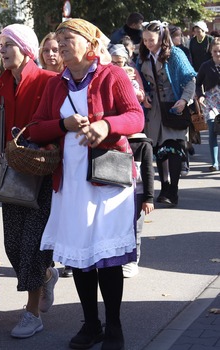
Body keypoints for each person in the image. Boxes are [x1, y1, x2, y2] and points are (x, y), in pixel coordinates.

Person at [28, 19, 144, 350]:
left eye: (69, 37)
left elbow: (135, 116)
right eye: (58, 38)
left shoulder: (112, 75)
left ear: (91, 42)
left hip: (107, 180)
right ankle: (91, 324)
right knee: (79, 256)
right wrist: (62, 124)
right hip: (71, 183)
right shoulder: (55, 84)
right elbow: (35, 129)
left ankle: (115, 327)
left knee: (106, 259)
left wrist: (106, 126)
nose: (61, 43)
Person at [0, 24, 59, 339]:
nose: (2, 50)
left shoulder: (49, 81)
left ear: (26, 49)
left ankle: (32, 313)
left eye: (8, 44)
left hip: (43, 174)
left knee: (32, 244)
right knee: (13, 245)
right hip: (11, 172)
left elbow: (60, 125)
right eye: (1, 44)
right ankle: (46, 275)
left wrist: (44, 146)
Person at [137, 21, 196, 206]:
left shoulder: (175, 54)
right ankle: (164, 187)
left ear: (161, 37)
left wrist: (184, 100)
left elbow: (190, 79)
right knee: (159, 150)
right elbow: (140, 80)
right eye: (145, 40)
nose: (148, 43)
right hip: (154, 109)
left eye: (151, 39)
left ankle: (173, 190)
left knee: (174, 148)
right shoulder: (143, 56)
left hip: (174, 105)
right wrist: (143, 94)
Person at [125, 132, 154, 278]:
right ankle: (122, 259)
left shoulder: (143, 144)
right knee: (120, 228)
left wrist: (148, 198)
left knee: (135, 228)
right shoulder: (114, 140)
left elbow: (149, 171)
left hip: (138, 194)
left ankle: (132, 261)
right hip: (118, 195)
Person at [195, 37, 220, 172]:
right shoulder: (206, 65)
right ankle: (215, 162)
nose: (218, 54)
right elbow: (198, 84)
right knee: (213, 130)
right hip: (211, 101)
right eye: (215, 51)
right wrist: (200, 96)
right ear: (211, 51)